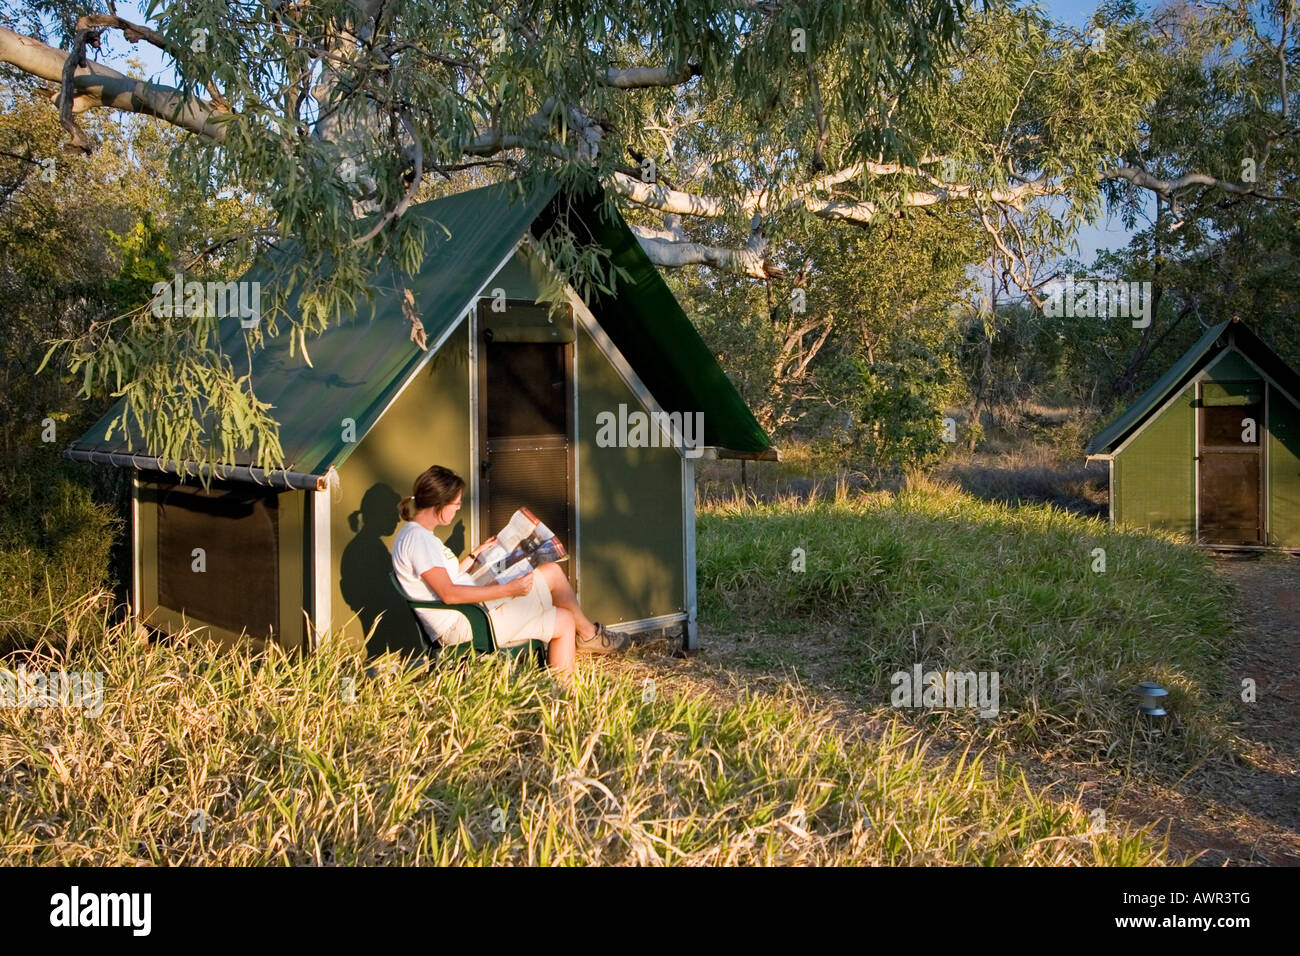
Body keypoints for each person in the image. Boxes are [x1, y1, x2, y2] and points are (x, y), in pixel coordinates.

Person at [391, 465, 629, 680]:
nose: (457, 509)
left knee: (560, 608)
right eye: (456, 504)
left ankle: (564, 692)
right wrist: (508, 589)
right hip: (467, 623)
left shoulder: (414, 534)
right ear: (440, 505)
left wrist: (475, 556)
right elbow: (449, 593)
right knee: (554, 579)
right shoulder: (419, 540)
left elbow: (444, 578)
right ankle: (587, 640)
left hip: (470, 611)